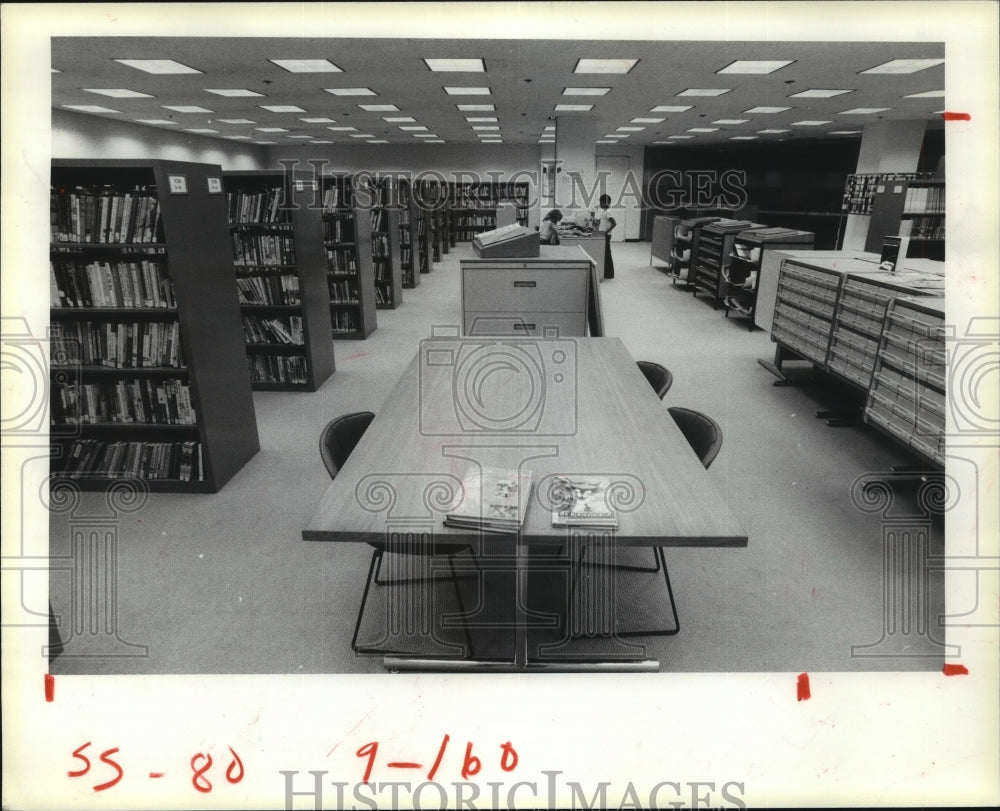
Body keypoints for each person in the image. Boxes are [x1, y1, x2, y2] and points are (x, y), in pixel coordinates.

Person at [595, 194, 616, 279]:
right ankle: (607, 273)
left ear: (606, 203)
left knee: (607, 254)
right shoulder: (605, 211)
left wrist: (605, 232)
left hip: (606, 235)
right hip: (604, 234)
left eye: (601, 202)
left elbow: (614, 223)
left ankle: (609, 274)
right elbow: (605, 222)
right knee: (605, 254)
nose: (600, 204)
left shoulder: (608, 212)